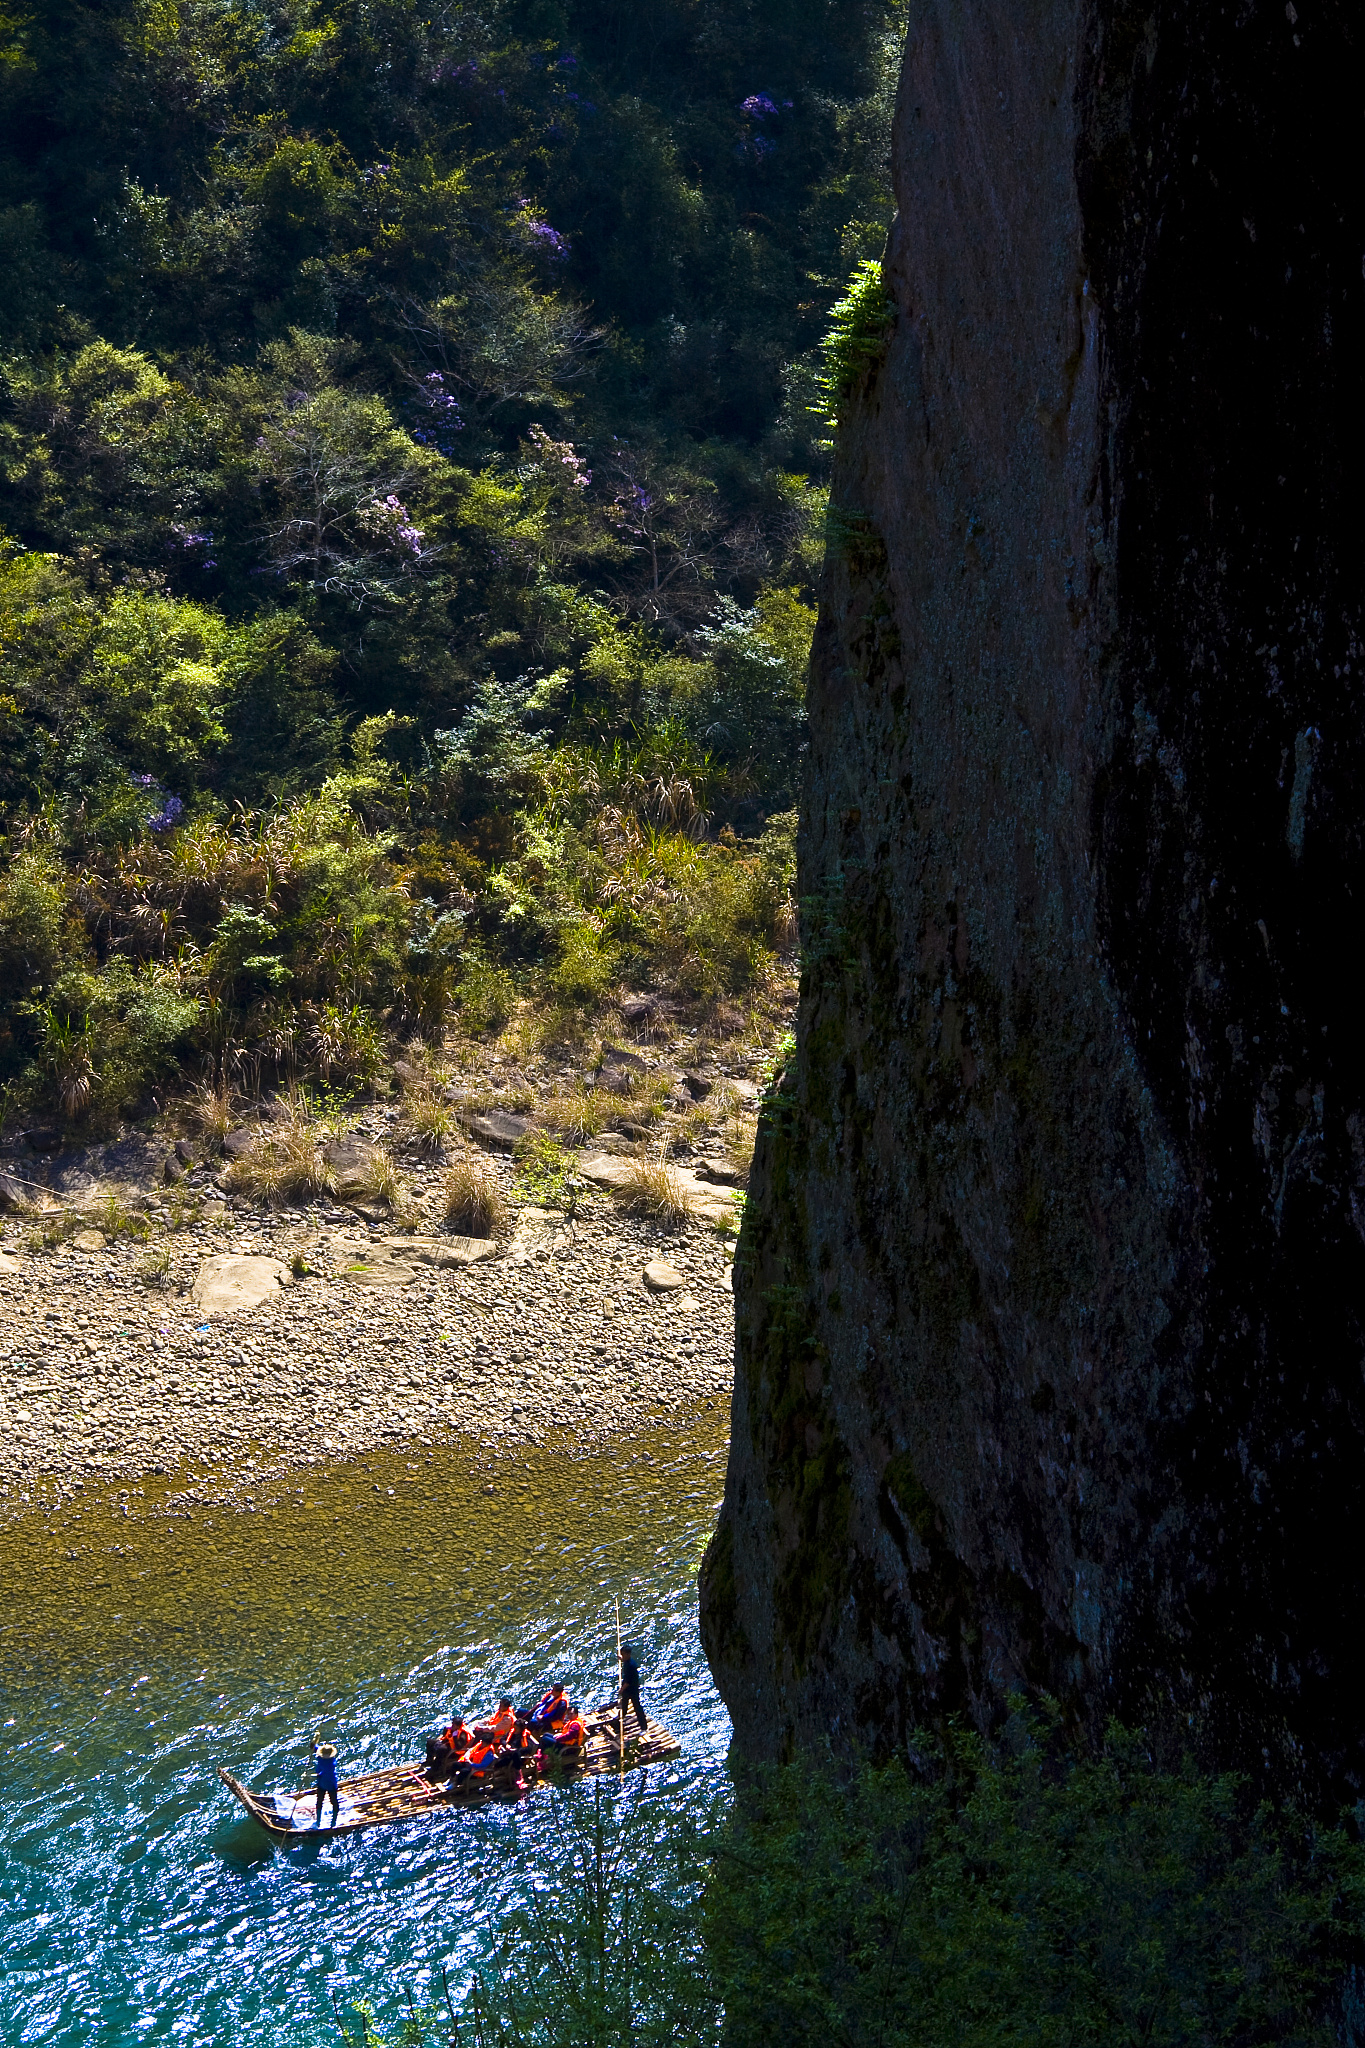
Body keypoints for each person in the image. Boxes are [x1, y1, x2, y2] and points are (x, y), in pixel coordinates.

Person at [312, 1735, 340, 1827]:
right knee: (331, 1801)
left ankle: (328, 1821)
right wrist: (316, 1739)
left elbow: (321, 1773)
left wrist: (315, 1740)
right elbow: (313, 1746)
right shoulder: (330, 1760)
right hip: (328, 1783)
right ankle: (324, 1821)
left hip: (326, 1783)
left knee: (323, 1801)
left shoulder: (329, 1763)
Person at [619, 1643, 646, 1732]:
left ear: (628, 1654)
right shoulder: (626, 1661)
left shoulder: (631, 1666)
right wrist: (621, 1658)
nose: (622, 1656)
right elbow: (624, 1660)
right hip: (627, 1688)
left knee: (637, 1707)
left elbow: (628, 1681)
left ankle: (644, 1727)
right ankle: (621, 1718)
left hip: (632, 1689)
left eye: (623, 1654)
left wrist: (621, 1689)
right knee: (624, 1704)